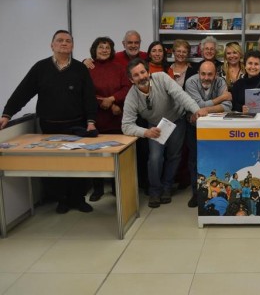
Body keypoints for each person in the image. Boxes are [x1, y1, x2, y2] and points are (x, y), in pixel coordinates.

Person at [1, 30, 97, 214]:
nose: (64, 43)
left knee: (78, 164)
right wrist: (7, 114)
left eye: (68, 41)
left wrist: (91, 121)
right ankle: (61, 200)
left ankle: (79, 199)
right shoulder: (40, 68)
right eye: (59, 40)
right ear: (52, 45)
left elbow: (89, 97)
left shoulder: (80, 69)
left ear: (72, 46)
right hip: (50, 126)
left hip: (76, 125)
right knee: (55, 164)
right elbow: (23, 92)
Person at [121, 58, 204, 208]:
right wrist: (146, 132)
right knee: (155, 158)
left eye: (143, 72)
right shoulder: (131, 96)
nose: (141, 77)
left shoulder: (162, 78)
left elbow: (181, 95)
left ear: (148, 72)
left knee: (174, 156)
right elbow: (126, 126)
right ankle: (155, 191)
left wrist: (196, 110)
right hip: (155, 127)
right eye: (136, 75)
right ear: (131, 79)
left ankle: (167, 187)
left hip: (176, 120)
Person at [87, 36, 131, 202]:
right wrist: (104, 103)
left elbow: (127, 88)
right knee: (95, 156)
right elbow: (86, 93)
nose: (104, 50)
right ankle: (97, 189)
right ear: (95, 50)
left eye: (107, 48)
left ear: (112, 50)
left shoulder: (119, 68)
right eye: (101, 47)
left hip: (116, 118)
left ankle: (115, 187)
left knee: (116, 155)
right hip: (96, 119)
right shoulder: (88, 68)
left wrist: (113, 100)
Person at [184, 60, 232, 207]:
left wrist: (205, 110)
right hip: (194, 126)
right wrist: (220, 99)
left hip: (215, 130)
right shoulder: (191, 82)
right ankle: (196, 193)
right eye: (203, 74)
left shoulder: (221, 82)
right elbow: (196, 105)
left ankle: (214, 193)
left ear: (216, 75)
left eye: (210, 74)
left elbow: (228, 106)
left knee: (214, 160)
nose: (206, 77)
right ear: (198, 73)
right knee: (194, 160)